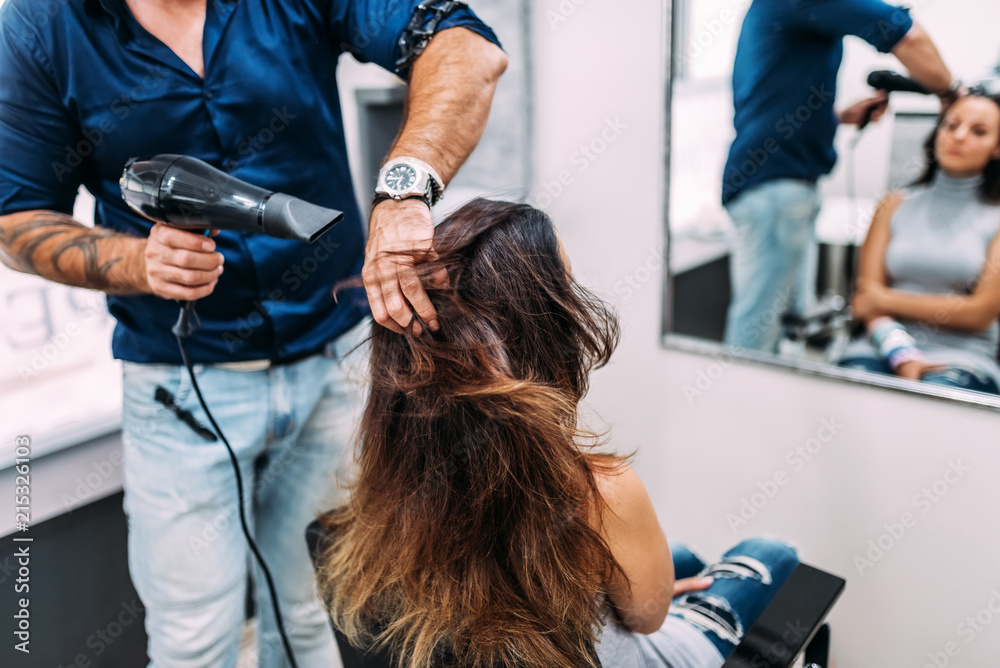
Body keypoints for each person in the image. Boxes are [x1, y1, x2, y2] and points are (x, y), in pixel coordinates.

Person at [0, 0, 507, 664]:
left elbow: (468, 48)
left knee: (315, 612)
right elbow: (17, 221)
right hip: (179, 393)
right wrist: (138, 263)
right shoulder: (41, 27)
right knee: (192, 642)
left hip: (334, 362)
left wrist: (405, 192)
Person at [312, 199, 800, 668]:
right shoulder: (600, 491)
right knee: (773, 553)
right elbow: (649, 620)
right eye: (564, 286)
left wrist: (604, 599)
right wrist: (630, 602)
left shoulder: (391, 483)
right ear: (539, 327)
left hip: (523, 628)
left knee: (685, 558)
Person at [722, 0, 956, 353]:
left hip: (775, 183)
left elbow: (771, 99)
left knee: (788, 325)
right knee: (758, 329)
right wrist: (953, 94)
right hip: (775, 185)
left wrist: (838, 117)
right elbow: (904, 35)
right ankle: (736, 406)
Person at [839, 93, 1000, 395]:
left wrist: (884, 299)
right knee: (849, 405)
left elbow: (980, 313)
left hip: (962, 359)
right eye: (951, 126)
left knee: (927, 418)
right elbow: (864, 301)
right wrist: (902, 355)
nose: (959, 136)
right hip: (879, 348)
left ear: (997, 148)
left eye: (978, 131)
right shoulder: (892, 205)